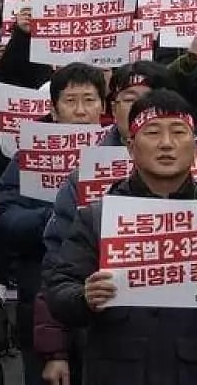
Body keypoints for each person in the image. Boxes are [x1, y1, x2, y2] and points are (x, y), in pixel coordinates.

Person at [43, 89, 197, 385]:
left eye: (178, 132)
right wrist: (85, 297)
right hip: (119, 370)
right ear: (130, 146)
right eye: (152, 133)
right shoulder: (97, 218)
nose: (166, 144)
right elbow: (58, 291)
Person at [0, 62, 106, 385]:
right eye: (71, 101)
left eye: (89, 99)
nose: (81, 110)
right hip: (41, 289)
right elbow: (3, 218)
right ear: (54, 111)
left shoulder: (124, 156)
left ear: (103, 105)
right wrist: (55, 214)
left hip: (103, 294)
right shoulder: (28, 156)